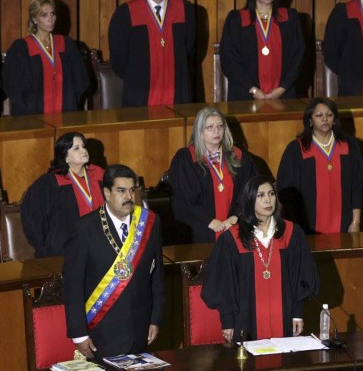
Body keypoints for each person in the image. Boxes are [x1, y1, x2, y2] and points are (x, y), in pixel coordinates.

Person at [63, 164, 164, 360]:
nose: (129, 197)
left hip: (140, 330)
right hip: (101, 332)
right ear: (107, 193)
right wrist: (79, 334)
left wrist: (155, 318)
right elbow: (72, 286)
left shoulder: (150, 222)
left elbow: (157, 276)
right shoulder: (84, 229)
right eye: (121, 191)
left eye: (132, 190)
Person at [201, 175, 319, 343]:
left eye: (271, 194)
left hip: (284, 320)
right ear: (250, 200)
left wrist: (297, 314)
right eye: (261, 195)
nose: (268, 200)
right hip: (245, 322)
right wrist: (228, 321)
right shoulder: (232, 239)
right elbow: (223, 283)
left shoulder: (292, 234)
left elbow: (301, 277)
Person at [108, 0, 196, 107]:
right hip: (140, 94)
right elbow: (118, 58)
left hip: (177, 92)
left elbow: (189, 49)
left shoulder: (184, 10)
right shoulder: (127, 12)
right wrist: (136, 77)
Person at [277, 97, 363, 234]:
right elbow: (288, 195)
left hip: (344, 224)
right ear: (310, 120)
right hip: (307, 227)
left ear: (335, 119)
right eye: (319, 115)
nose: (325, 119)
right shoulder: (296, 150)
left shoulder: (350, 147)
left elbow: (357, 187)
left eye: (329, 115)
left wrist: (356, 222)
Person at [168, 107, 257, 243]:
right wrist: (209, 221)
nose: (216, 131)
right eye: (210, 127)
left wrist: (235, 217)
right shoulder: (186, 159)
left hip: (234, 227)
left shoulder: (239, 157)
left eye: (220, 126)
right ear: (200, 132)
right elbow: (183, 198)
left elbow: (250, 191)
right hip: (199, 229)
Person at [220, 0, 304, 101]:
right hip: (245, 94)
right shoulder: (237, 19)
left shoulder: (289, 18)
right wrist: (252, 88)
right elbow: (229, 58)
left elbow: (298, 55)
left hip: (284, 94)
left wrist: (283, 88)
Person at [21, 132, 105, 257]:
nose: (83, 151)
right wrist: (45, 247)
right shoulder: (50, 182)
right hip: (66, 250)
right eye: (76, 148)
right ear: (65, 156)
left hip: (100, 244)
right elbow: (33, 216)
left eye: (83, 146)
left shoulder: (99, 174)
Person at [2, 0, 89, 115]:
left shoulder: (66, 45)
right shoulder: (21, 49)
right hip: (32, 117)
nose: (50, 19)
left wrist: (70, 104)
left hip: (66, 113)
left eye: (52, 14)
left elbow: (80, 82)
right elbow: (13, 88)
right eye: (44, 15)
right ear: (34, 19)